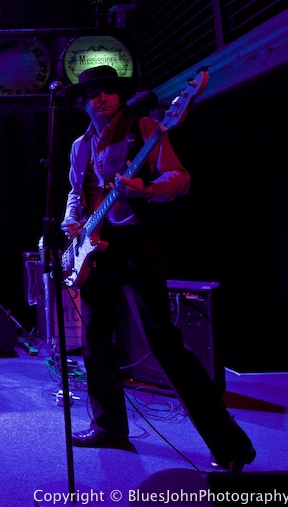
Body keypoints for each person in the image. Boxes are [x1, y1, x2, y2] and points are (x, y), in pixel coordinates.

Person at [59, 65, 255, 471]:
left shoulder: (147, 127)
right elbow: (76, 193)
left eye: (109, 91)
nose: (102, 99)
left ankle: (231, 446)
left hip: (138, 244)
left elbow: (179, 178)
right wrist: (72, 220)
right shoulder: (80, 145)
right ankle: (109, 426)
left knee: (164, 342)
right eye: (94, 93)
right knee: (96, 341)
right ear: (83, 102)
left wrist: (147, 188)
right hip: (96, 249)